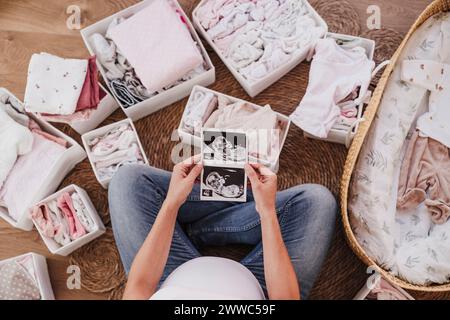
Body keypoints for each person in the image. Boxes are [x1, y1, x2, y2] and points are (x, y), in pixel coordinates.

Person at [109, 156, 337, 300]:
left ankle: (199, 228)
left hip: (168, 276)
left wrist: (171, 204)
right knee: (316, 201)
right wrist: (266, 211)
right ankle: (216, 217)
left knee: (128, 180)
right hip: (263, 287)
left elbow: (140, 286)